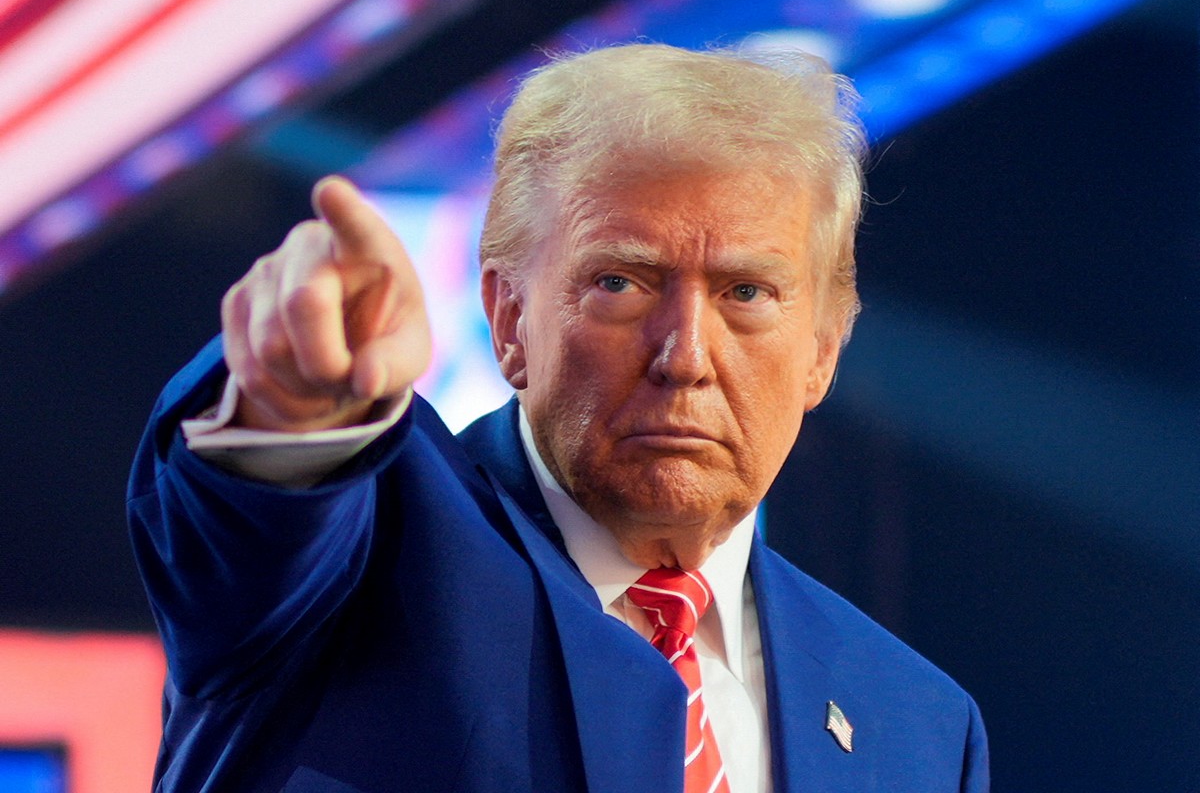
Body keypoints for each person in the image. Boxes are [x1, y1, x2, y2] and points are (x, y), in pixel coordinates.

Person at [128, 44, 989, 792]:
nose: (684, 354)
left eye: (746, 293)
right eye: (620, 282)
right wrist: (292, 403)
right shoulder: (372, 547)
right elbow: (252, 523)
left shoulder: (916, 722)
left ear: (823, 353)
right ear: (508, 321)